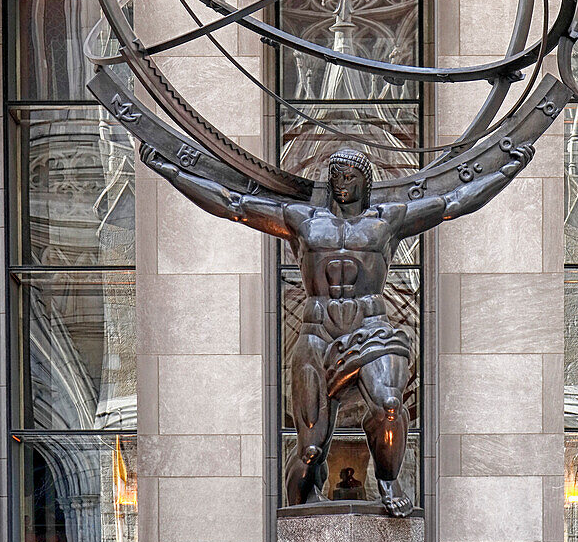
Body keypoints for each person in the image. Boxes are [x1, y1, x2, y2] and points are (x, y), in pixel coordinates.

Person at [140, 141, 534, 516]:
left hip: (371, 328)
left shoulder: (387, 220)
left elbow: (452, 203)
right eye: (335, 176)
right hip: (317, 334)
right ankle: (300, 513)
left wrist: (509, 169)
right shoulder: (303, 221)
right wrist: (171, 170)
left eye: (348, 176)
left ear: (365, 180)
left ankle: (387, 481)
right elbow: (234, 206)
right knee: (310, 449)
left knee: (390, 406)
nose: (340, 183)